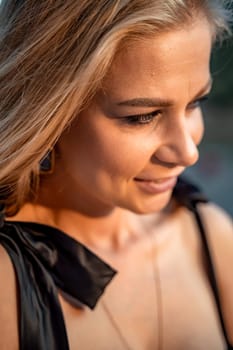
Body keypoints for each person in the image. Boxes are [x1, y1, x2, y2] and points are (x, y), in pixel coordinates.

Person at [0, 0, 233, 349]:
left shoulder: (210, 236)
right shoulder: (7, 281)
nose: (188, 152)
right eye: (143, 116)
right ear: (51, 112)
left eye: (195, 103)